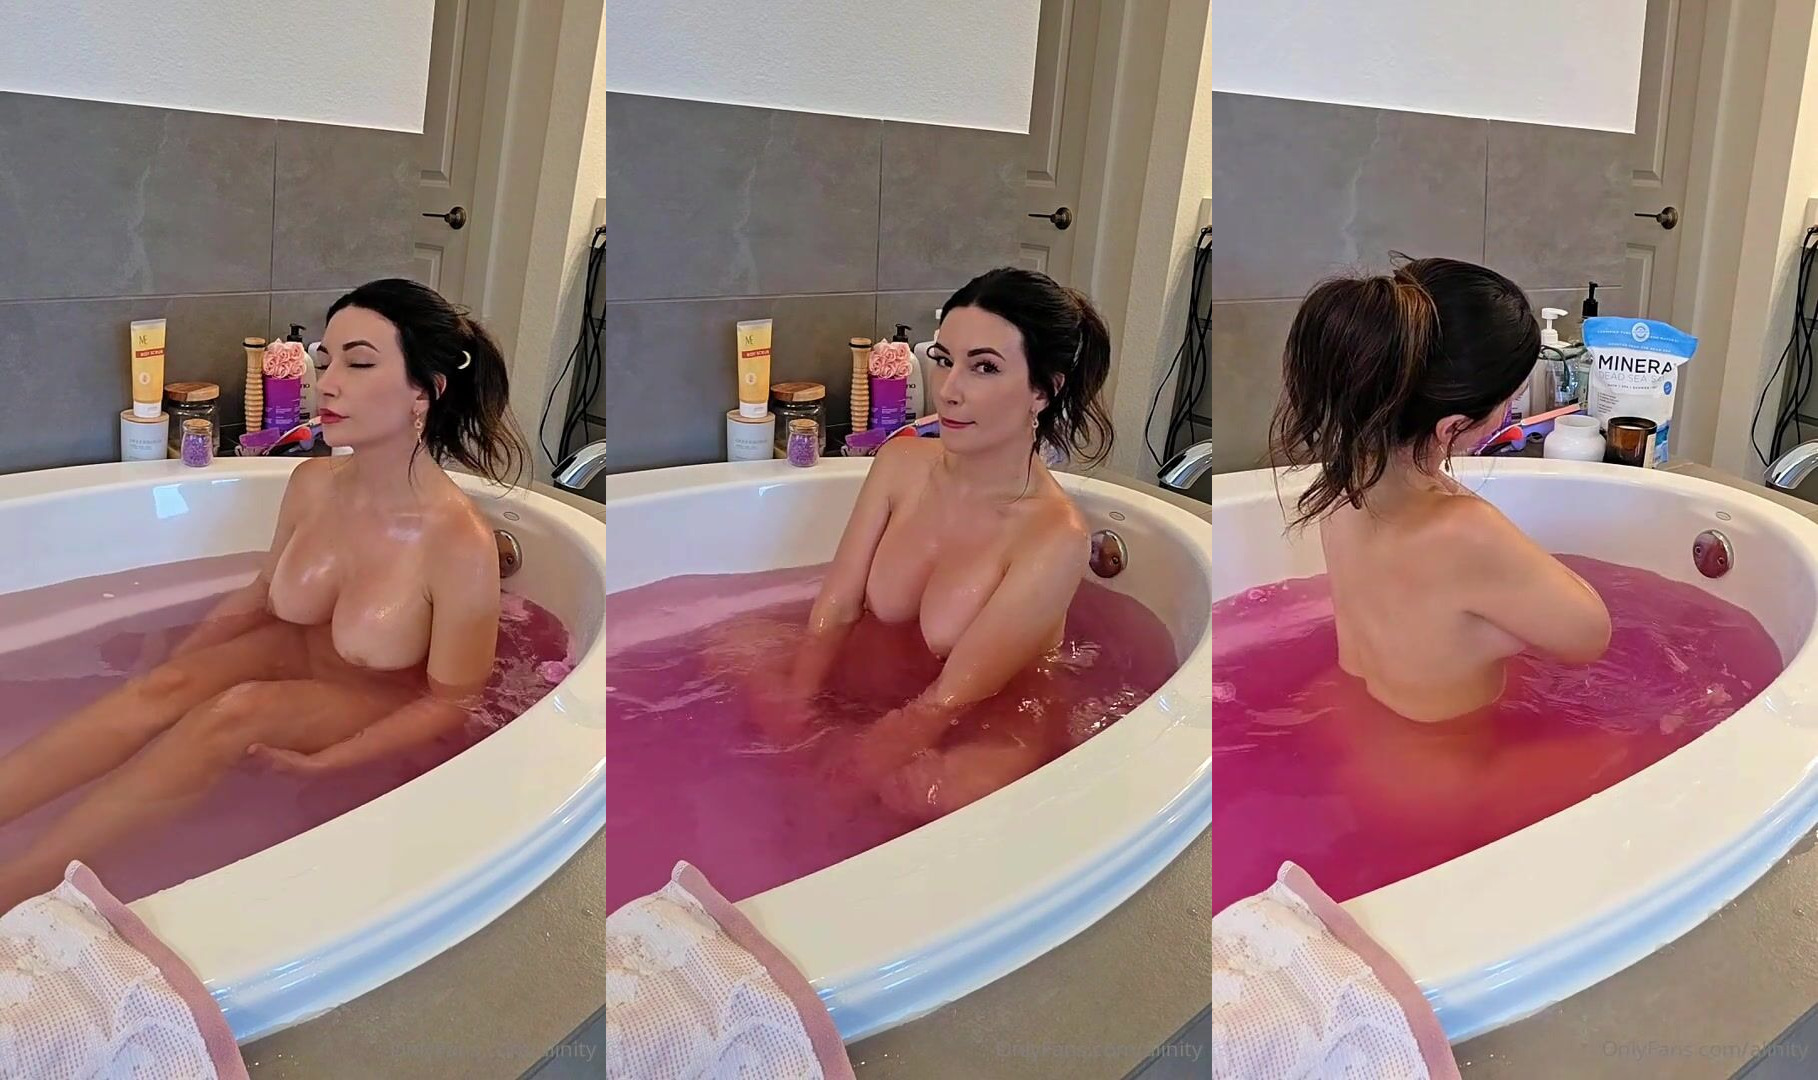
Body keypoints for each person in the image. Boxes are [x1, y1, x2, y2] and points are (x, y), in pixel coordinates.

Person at [0, 278, 526, 908]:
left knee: (235, 712)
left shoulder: (459, 543)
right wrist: (179, 660)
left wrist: (336, 761)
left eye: (359, 363)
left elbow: (454, 701)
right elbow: (259, 595)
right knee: (164, 688)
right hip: (288, 651)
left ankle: (16, 888)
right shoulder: (312, 483)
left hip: (375, 696)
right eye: (326, 360)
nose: (327, 383)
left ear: (426, 390)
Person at [751, 267, 1116, 819]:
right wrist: (797, 708)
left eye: (984, 367)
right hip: (879, 684)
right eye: (945, 360)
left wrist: (846, 775)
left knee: (927, 792)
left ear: (1044, 390)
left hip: (990, 714)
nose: (948, 390)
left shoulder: (1054, 536)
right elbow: (837, 608)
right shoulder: (900, 464)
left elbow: (948, 699)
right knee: (731, 647)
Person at [1270, 255, 1611, 723]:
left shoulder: (1342, 487)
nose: (1507, 415)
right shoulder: (1465, 530)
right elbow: (1589, 637)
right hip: (1450, 754)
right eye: (1508, 403)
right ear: (1452, 427)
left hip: (1358, 723)